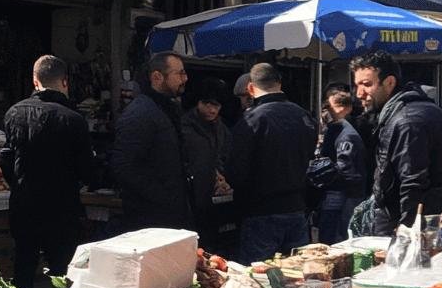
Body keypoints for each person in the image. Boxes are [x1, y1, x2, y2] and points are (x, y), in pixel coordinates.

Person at [1, 55, 94, 288]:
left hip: (24, 203)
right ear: (65, 82)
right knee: (61, 270)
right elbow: (87, 168)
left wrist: (18, 184)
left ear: (35, 81)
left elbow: (7, 159)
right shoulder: (74, 120)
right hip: (62, 206)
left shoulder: (14, 113)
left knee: (23, 263)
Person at [351, 51, 442, 235]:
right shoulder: (413, 109)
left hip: (416, 223)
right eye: (357, 85)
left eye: (367, 84)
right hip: (430, 218)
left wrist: (406, 229)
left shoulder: (407, 119)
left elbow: (412, 181)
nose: (359, 93)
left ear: (389, 83)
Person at [225, 63, 317, 261]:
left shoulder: (252, 120)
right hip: (297, 208)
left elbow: (236, 171)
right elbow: (311, 156)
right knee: (298, 275)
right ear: (279, 83)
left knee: (257, 278)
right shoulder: (303, 115)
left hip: (261, 210)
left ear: (250, 88)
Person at [111, 52, 194, 231]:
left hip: (171, 215)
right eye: (179, 73)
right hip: (150, 220)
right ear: (157, 77)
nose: (185, 78)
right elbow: (124, 166)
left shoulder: (166, 109)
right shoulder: (141, 113)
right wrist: (163, 197)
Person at [181, 83, 231, 251]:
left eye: (216, 105)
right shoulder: (184, 126)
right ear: (198, 103)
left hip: (214, 198)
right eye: (207, 104)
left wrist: (221, 175)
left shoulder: (221, 128)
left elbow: (222, 156)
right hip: (190, 196)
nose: (211, 110)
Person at [315, 90, 369, 244]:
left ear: (345, 108)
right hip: (339, 190)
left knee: (337, 236)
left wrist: (324, 174)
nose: (326, 111)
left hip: (343, 192)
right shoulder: (336, 129)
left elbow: (347, 170)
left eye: (330, 107)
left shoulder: (346, 134)